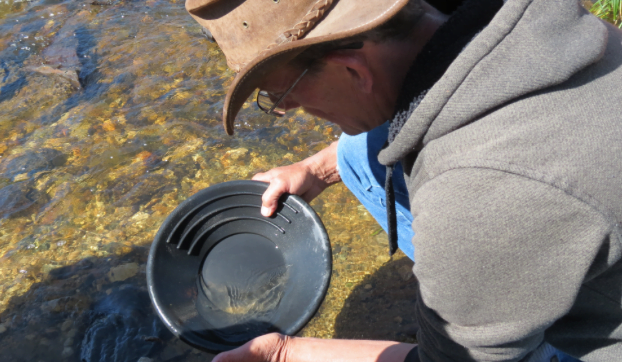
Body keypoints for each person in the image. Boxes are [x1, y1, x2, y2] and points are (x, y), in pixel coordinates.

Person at [184, 0, 622, 361]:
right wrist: (315, 171)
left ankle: (478, 312)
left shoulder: (477, 198)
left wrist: (283, 353)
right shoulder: (521, 20)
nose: (284, 110)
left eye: (281, 97)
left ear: (354, 70)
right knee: (362, 148)